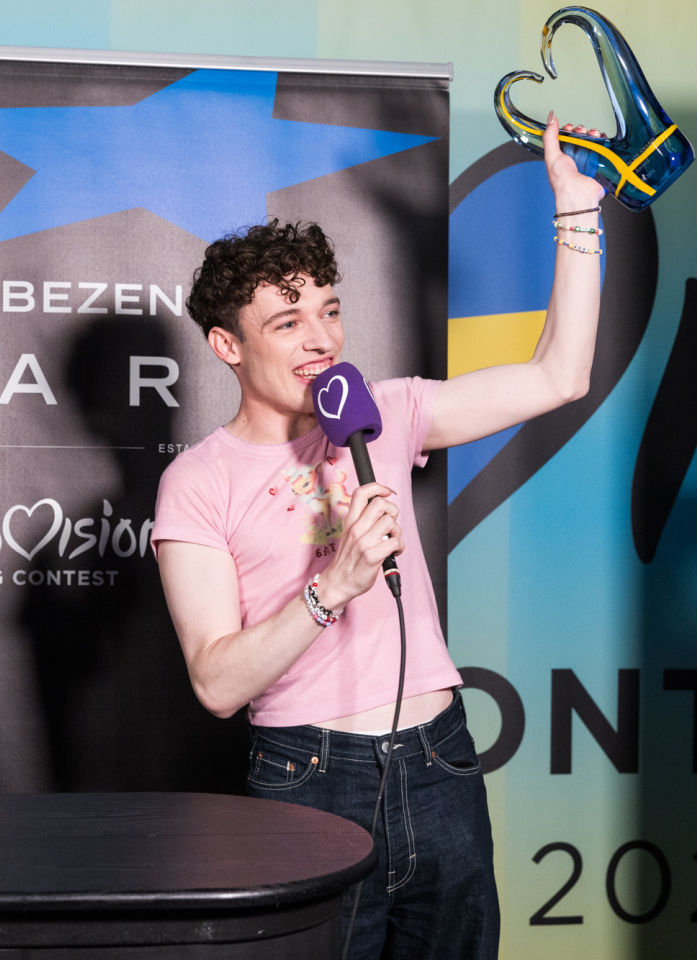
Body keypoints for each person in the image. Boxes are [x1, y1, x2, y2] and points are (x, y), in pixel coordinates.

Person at [152, 117, 605, 959]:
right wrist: (332, 585)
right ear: (226, 345)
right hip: (307, 778)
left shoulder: (385, 414)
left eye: (328, 312)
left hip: (441, 759)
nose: (321, 338)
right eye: (287, 323)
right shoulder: (197, 482)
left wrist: (576, 214)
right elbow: (216, 682)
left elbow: (560, 374)